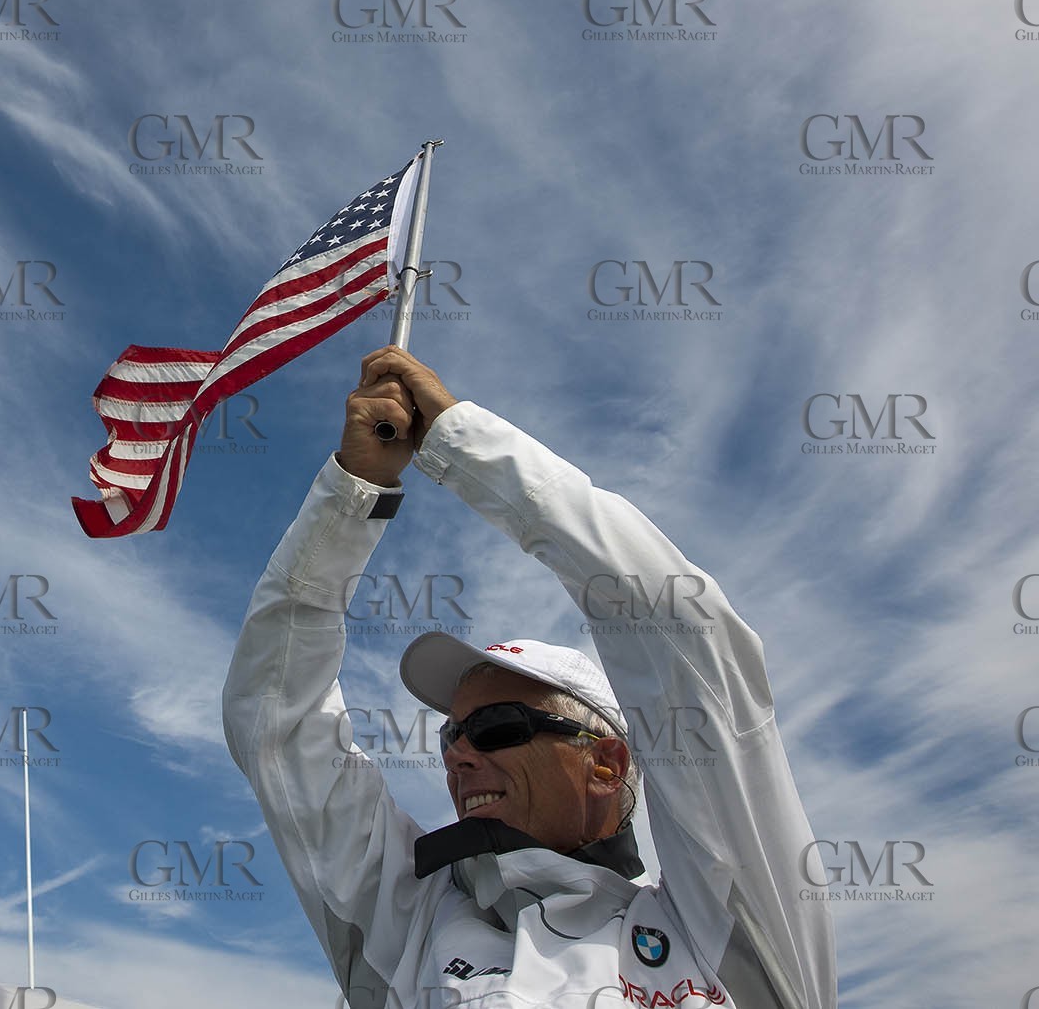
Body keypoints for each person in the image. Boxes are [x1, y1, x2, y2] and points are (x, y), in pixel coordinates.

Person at [222, 347, 836, 1009]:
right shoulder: (407, 922)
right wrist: (352, 497)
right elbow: (276, 715)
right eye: (452, 735)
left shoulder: (727, 929)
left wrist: (458, 440)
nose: (458, 755)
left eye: (497, 727)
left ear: (606, 765)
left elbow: (682, 630)